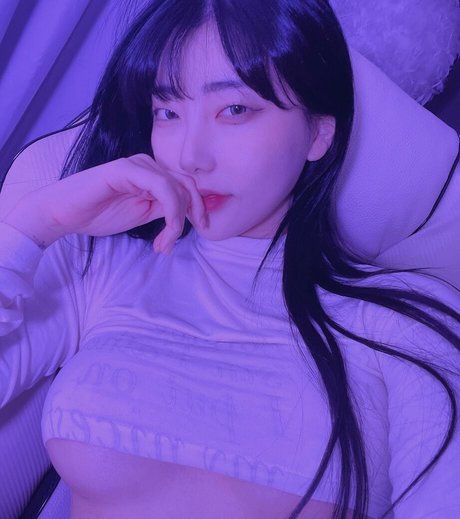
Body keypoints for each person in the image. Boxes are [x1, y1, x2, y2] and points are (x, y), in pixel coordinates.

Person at [0, 1, 459, 518]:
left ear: (318, 132)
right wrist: (38, 222)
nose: (190, 156)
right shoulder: (98, 270)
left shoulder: (406, 322)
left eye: (234, 109)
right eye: (168, 112)